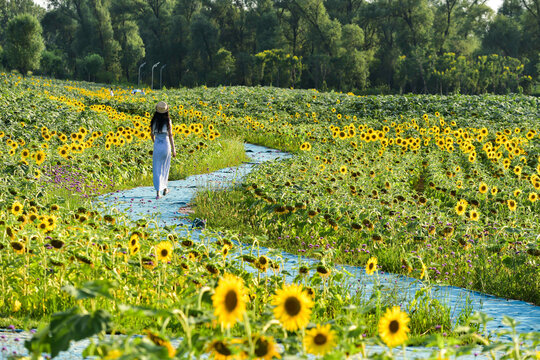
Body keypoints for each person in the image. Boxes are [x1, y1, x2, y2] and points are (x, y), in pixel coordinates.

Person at [150, 101, 176, 199]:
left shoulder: (153, 120)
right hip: (166, 144)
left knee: (156, 167)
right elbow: (170, 135)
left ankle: (158, 193)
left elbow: (152, 135)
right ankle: (165, 187)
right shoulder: (168, 120)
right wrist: (173, 149)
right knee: (165, 167)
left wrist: (155, 142)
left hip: (157, 144)